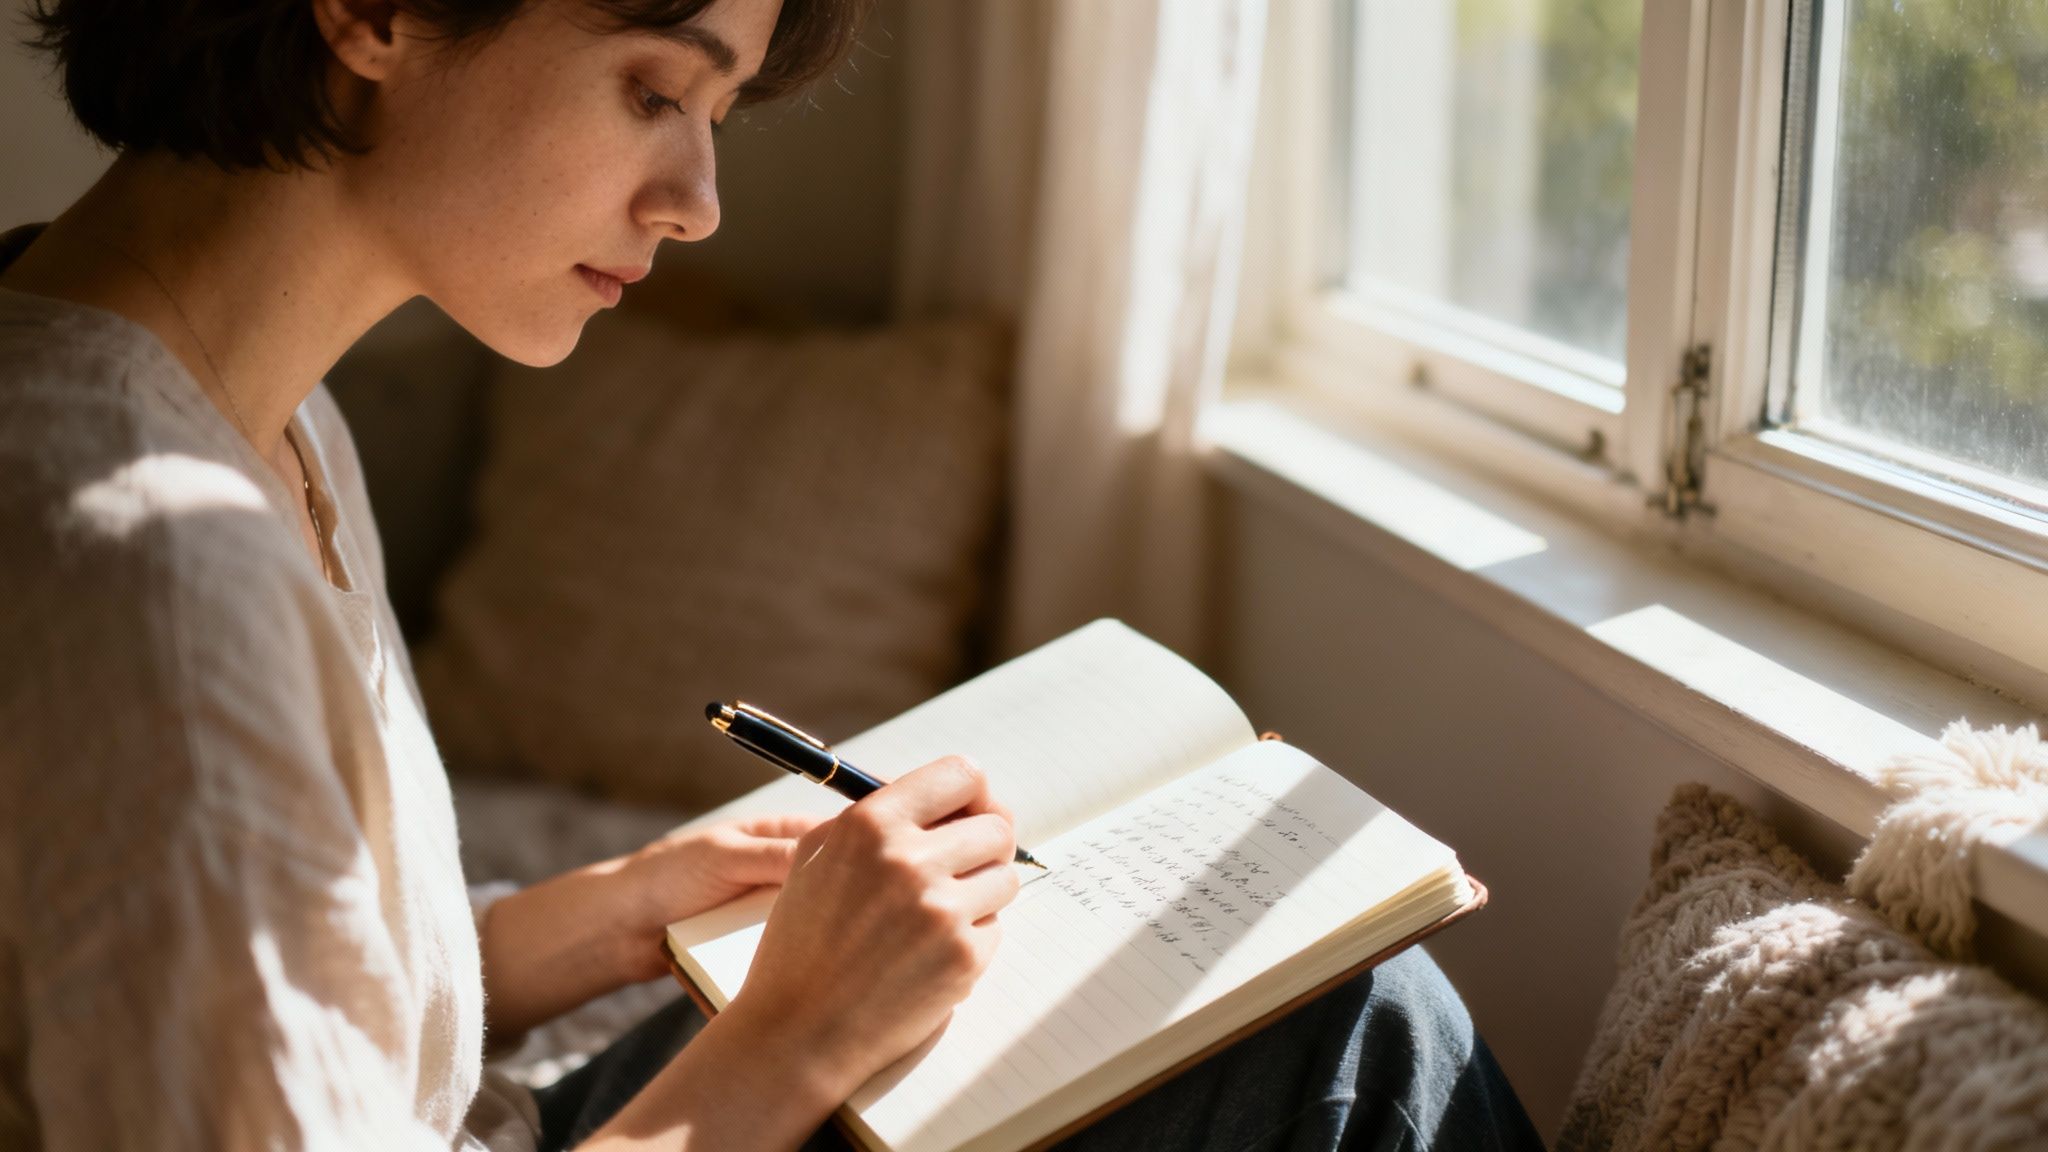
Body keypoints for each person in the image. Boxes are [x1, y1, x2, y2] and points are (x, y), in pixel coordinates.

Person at [0, 1, 1547, 1149]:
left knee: (1303, 1016)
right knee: (1354, 1043)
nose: (697, 201)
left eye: (714, 116)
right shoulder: (140, 571)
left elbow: (257, 984)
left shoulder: (255, 408)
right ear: (373, 11)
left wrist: (600, 917)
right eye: (652, 87)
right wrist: (796, 1036)